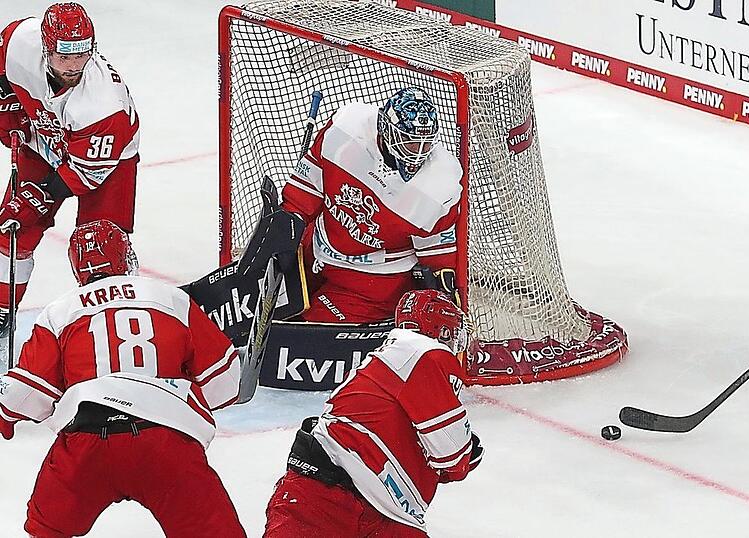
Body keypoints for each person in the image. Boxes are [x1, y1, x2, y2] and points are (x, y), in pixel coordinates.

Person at [0, 220, 246, 537]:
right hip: (165, 442)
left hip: (87, 443)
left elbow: (23, 397)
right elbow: (225, 385)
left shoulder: (59, 312)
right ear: (125, 257)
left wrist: (7, 415)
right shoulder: (171, 298)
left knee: (45, 529)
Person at [263, 289, 483, 537]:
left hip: (336, 501)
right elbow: (453, 457)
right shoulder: (425, 351)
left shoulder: (389, 364)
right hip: (332, 501)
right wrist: (465, 451)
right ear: (442, 331)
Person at [0, 2, 140, 335]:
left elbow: (83, 174)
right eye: (65, 55)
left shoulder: (104, 106)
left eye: (82, 54)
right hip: (44, 137)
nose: (74, 65)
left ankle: (112, 325)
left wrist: (38, 196)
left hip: (108, 163)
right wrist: (8, 110)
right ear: (46, 47)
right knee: (11, 228)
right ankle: (2, 308)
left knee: (99, 250)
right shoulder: (20, 41)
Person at [279, 87, 463, 323]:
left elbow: (437, 250)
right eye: (409, 142)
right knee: (264, 308)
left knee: (303, 333)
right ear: (386, 129)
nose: (418, 153)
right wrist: (288, 223)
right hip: (315, 248)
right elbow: (309, 185)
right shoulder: (346, 131)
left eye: (425, 143)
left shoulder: (438, 184)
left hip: (372, 284)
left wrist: (442, 282)